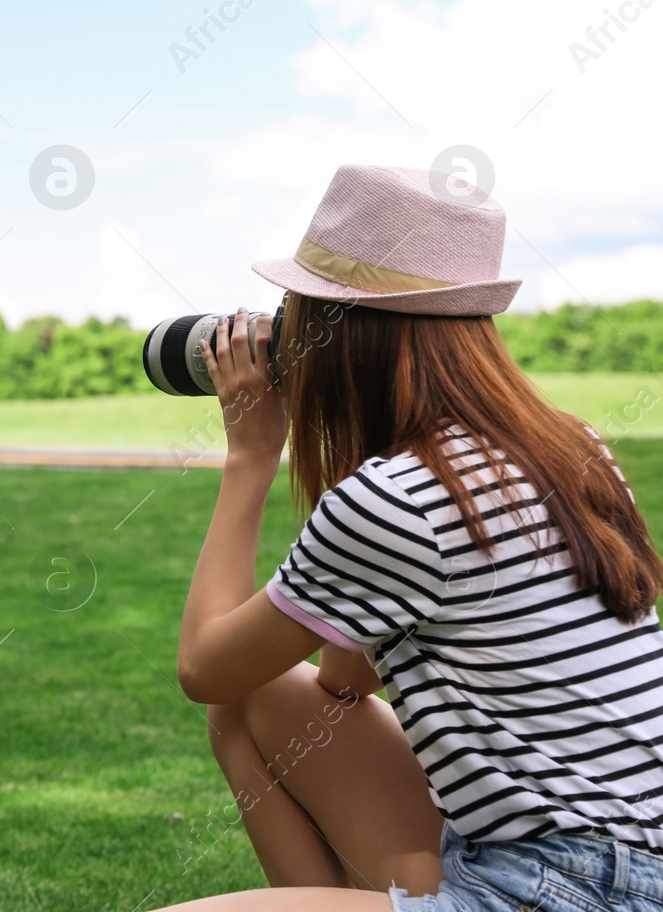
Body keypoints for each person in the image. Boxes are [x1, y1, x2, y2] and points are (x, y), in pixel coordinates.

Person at [158, 166, 663, 911]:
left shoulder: (394, 500)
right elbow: (342, 681)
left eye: (300, 310)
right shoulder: (572, 446)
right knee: (254, 698)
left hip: (560, 890)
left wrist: (251, 457)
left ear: (344, 332)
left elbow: (204, 664)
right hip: (624, 869)